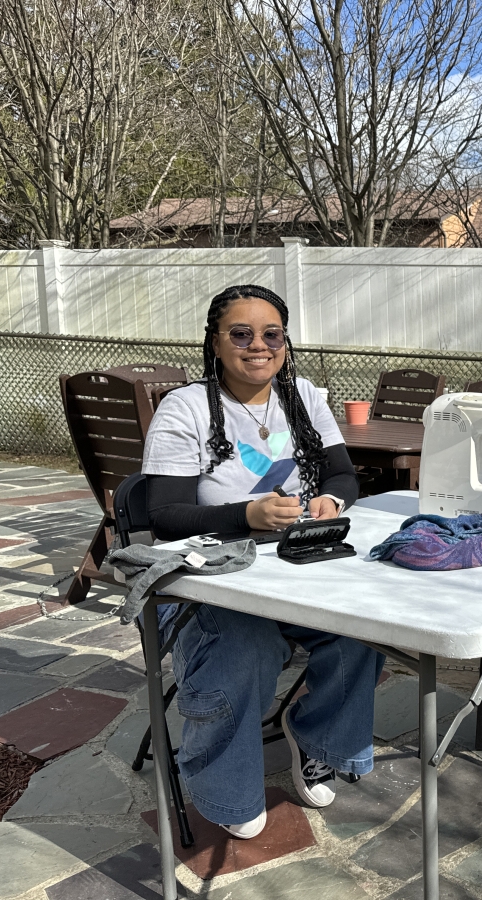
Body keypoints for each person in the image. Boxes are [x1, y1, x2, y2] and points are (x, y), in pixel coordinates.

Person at [141, 284, 384, 839]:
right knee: (246, 644)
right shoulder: (187, 408)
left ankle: (316, 738)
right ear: (215, 341)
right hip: (212, 579)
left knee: (364, 630)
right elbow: (164, 514)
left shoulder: (303, 398)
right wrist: (245, 515)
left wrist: (332, 500)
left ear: (286, 341)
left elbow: (343, 475)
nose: (258, 345)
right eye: (241, 333)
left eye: (271, 334)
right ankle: (228, 789)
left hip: (294, 564)